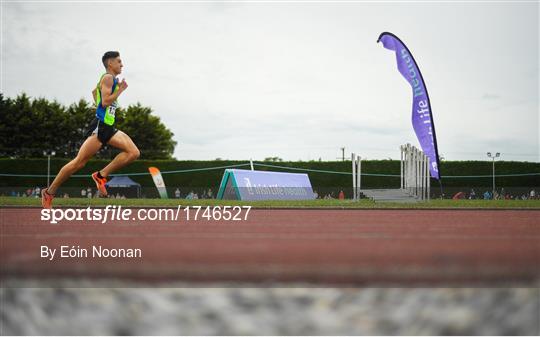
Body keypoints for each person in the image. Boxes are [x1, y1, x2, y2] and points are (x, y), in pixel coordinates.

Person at [41, 51, 140, 208]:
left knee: (133, 153)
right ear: (110, 64)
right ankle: (49, 192)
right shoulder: (108, 78)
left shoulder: (109, 80)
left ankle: (101, 175)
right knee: (78, 163)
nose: (122, 64)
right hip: (100, 127)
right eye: (119, 61)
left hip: (109, 126)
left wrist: (102, 102)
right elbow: (106, 101)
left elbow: (95, 93)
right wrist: (120, 90)